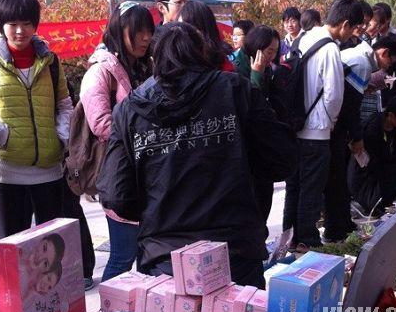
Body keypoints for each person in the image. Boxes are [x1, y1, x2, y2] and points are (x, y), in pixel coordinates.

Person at [97, 22, 297, 289]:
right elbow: (283, 160)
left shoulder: (129, 110)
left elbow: (116, 196)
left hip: (164, 260)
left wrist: (155, 208)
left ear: (155, 59)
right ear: (203, 53)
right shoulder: (236, 90)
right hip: (236, 253)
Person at [0, 0, 72, 241]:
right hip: (7, 173)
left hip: (50, 171)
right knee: (12, 247)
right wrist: (2, 134)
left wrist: (61, 137)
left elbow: (64, 105)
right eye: (12, 24)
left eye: (26, 23)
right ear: (0, 24)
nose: (20, 31)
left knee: (53, 247)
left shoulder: (50, 61)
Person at [283, 0, 364, 252]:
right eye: (353, 29)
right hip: (316, 131)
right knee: (312, 187)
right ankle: (307, 238)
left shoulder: (304, 38)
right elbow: (334, 96)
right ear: (345, 24)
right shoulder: (329, 49)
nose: (351, 35)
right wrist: (330, 123)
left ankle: (290, 236)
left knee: (295, 186)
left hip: (295, 125)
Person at [80, 1, 154, 282]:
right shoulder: (100, 72)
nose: (146, 38)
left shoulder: (145, 67)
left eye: (149, 31)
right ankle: (109, 308)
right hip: (121, 174)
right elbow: (101, 124)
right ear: (119, 31)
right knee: (123, 255)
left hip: (148, 173)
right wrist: (144, 137)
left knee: (148, 253)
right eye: (138, 31)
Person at [322, 34, 396, 239]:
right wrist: (357, 137)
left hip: (333, 124)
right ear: (384, 53)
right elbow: (351, 106)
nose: (388, 68)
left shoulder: (357, 56)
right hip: (333, 126)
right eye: (390, 62)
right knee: (335, 180)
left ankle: (343, 224)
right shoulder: (362, 63)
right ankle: (334, 229)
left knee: (339, 179)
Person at [232, 25, 281, 222]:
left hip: (264, 144)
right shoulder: (236, 68)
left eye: (275, 52)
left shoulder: (266, 68)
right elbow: (251, 106)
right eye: (269, 51)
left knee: (264, 198)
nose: (272, 57)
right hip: (245, 147)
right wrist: (256, 76)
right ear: (257, 48)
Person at [349, 95, 396, 213]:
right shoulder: (372, 131)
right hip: (365, 180)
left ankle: (385, 202)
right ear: (391, 115)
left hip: (384, 173)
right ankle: (372, 204)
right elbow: (374, 168)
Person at [179, 0, 234, 71]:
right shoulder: (175, 60)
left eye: (189, 27)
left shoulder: (223, 65)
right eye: (180, 27)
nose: (183, 32)